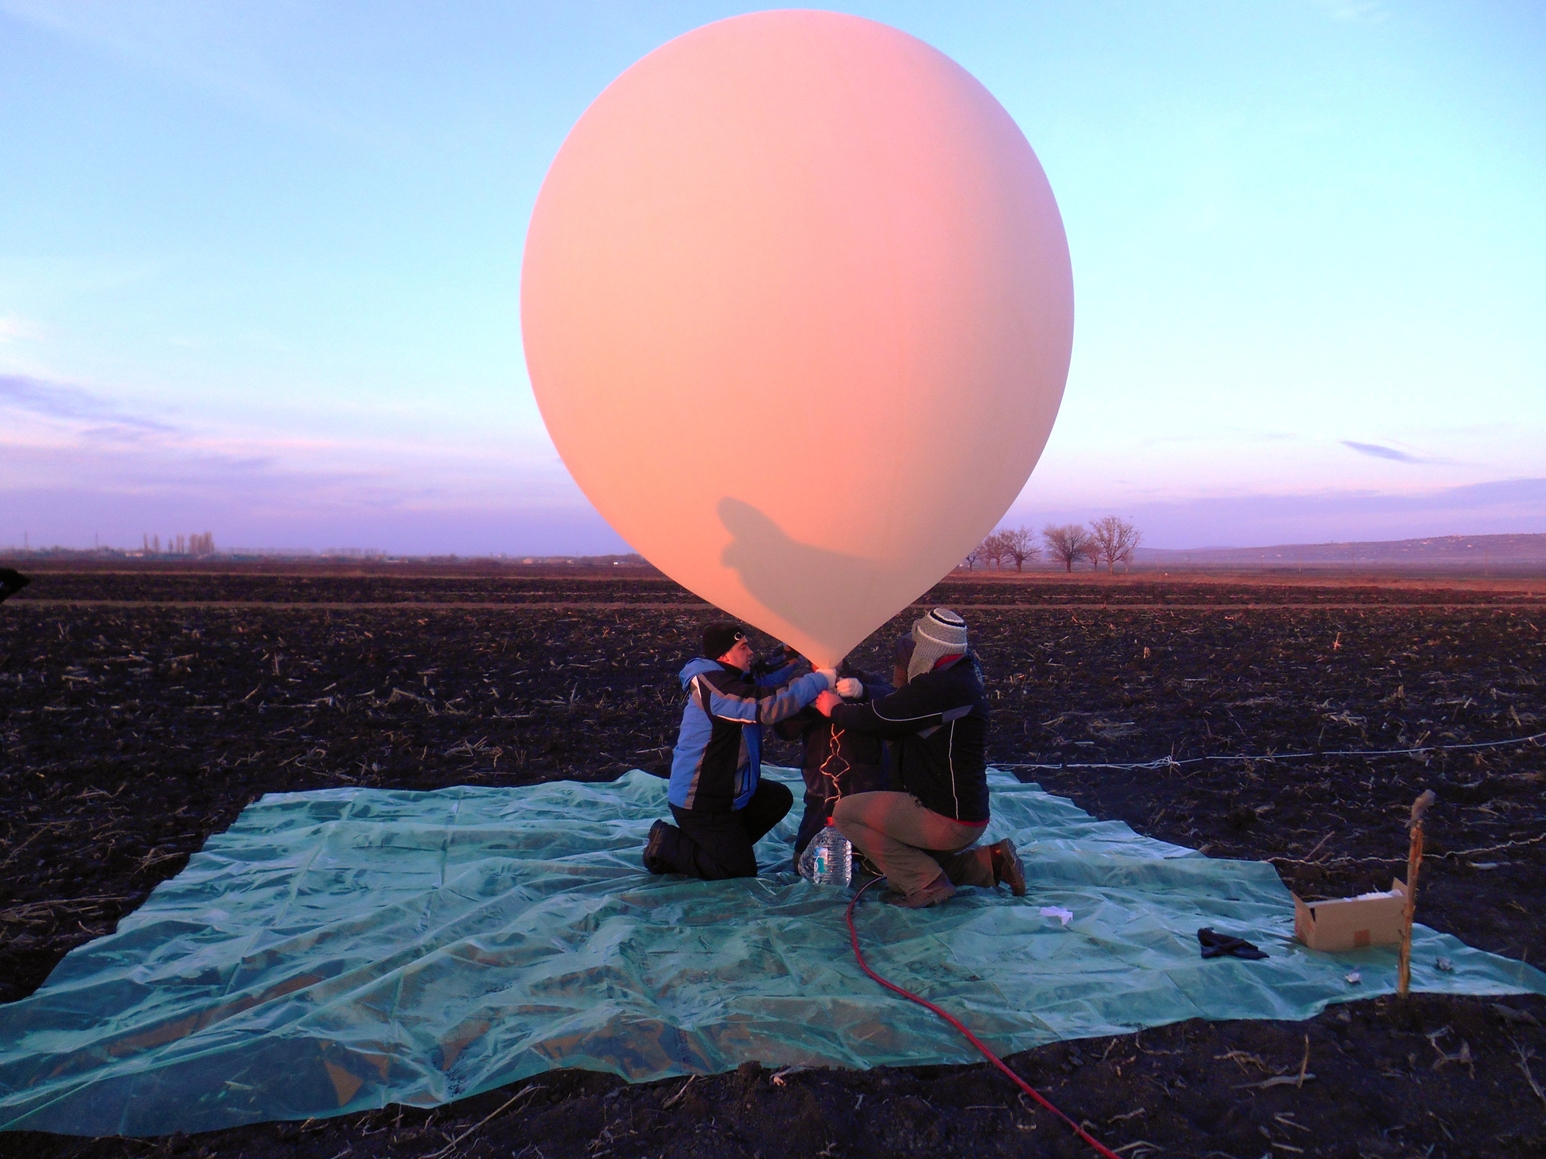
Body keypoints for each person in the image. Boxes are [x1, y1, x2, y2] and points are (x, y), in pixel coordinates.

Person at [814, 608, 1025, 907]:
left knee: (847, 813)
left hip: (944, 818)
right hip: (966, 813)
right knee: (905, 865)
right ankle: (992, 862)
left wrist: (835, 708)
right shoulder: (960, 677)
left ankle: (927, 885)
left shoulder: (941, 687)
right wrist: (864, 693)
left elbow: (883, 717)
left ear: (928, 648)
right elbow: (901, 707)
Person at [644, 622, 836, 880]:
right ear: (724, 656)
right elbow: (764, 705)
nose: (751, 652)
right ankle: (666, 843)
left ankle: (724, 846)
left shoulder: (731, 677)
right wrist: (821, 679)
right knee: (737, 870)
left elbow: (762, 676)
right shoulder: (715, 688)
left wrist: (791, 653)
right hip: (702, 801)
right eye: (743, 647)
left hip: (727, 795)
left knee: (777, 798)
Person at [774, 656, 893, 870]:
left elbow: (893, 701)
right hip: (821, 785)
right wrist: (804, 706)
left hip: (865, 783)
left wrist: (863, 691)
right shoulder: (799, 687)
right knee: (814, 837)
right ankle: (810, 861)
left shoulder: (866, 680)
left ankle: (869, 863)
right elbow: (783, 729)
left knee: (869, 834)